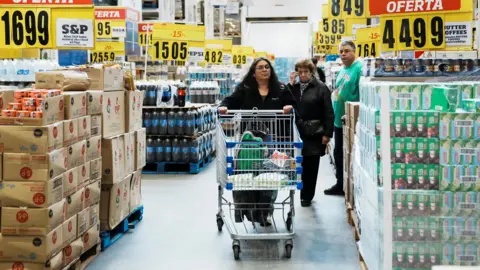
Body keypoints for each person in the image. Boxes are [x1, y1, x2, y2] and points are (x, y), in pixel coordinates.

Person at [218, 57, 295, 226]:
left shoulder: (281, 88)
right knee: (251, 174)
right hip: (250, 141)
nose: (264, 70)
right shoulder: (245, 89)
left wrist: (289, 107)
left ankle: (266, 211)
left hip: (276, 140)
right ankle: (251, 209)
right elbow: (230, 101)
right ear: (253, 72)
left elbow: (292, 103)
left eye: (267, 67)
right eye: (260, 67)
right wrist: (223, 107)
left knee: (270, 176)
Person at [288, 59, 334, 207]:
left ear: (311, 72)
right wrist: (289, 84)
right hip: (297, 132)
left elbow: (328, 112)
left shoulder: (321, 88)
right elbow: (285, 101)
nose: (302, 75)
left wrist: (327, 134)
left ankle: (306, 196)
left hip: (315, 132)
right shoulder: (293, 88)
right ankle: (301, 192)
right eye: (299, 72)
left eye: (305, 72)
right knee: (298, 164)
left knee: (311, 166)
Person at [324, 40, 362, 196]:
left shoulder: (359, 69)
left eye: (347, 51)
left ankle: (350, 187)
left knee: (351, 154)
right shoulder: (342, 70)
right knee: (339, 154)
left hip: (352, 121)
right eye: (341, 51)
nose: (343, 54)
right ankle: (341, 184)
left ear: (354, 51)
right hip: (339, 120)